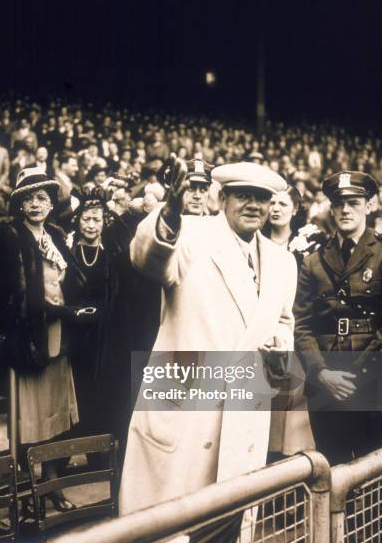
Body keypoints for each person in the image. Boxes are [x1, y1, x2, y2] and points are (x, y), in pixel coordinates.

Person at [120, 156, 297, 514]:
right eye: (242, 195)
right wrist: (168, 212)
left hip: (244, 410)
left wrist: (281, 344)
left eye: (260, 197)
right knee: (160, 539)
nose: (252, 205)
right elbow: (147, 257)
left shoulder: (282, 260)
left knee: (226, 534)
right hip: (184, 407)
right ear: (223, 199)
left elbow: (282, 320)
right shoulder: (188, 234)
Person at [0, 167, 92, 511]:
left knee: (60, 416)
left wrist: (76, 309)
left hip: (61, 340)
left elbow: (75, 281)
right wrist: (60, 312)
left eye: (42, 197)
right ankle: (28, 494)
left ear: (51, 203)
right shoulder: (9, 236)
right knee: (29, 421)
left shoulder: (56, 235)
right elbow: (7, 296)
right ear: (19, 204)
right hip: (29, 341)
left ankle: (53, 486)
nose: (35, 204)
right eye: (28, 198)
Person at [294, 170, 382, 465]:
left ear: (369, 206)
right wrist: (321, 373)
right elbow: (303, 325)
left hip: (374, 382)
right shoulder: (313, 261)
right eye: (339, 203)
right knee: (332, 470)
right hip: (326, 385)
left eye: (354, 202)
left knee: (375, 476)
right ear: (331, 208)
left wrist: (357, 373)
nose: (346, 210)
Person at [263, 186, 315, 458]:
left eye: (283, 203)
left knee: (293, 412)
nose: (275, 208)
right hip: (266, 334)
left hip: (295, 330)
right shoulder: (256, 241)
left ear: (295, 209)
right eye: (271, 202)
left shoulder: (306, 245)